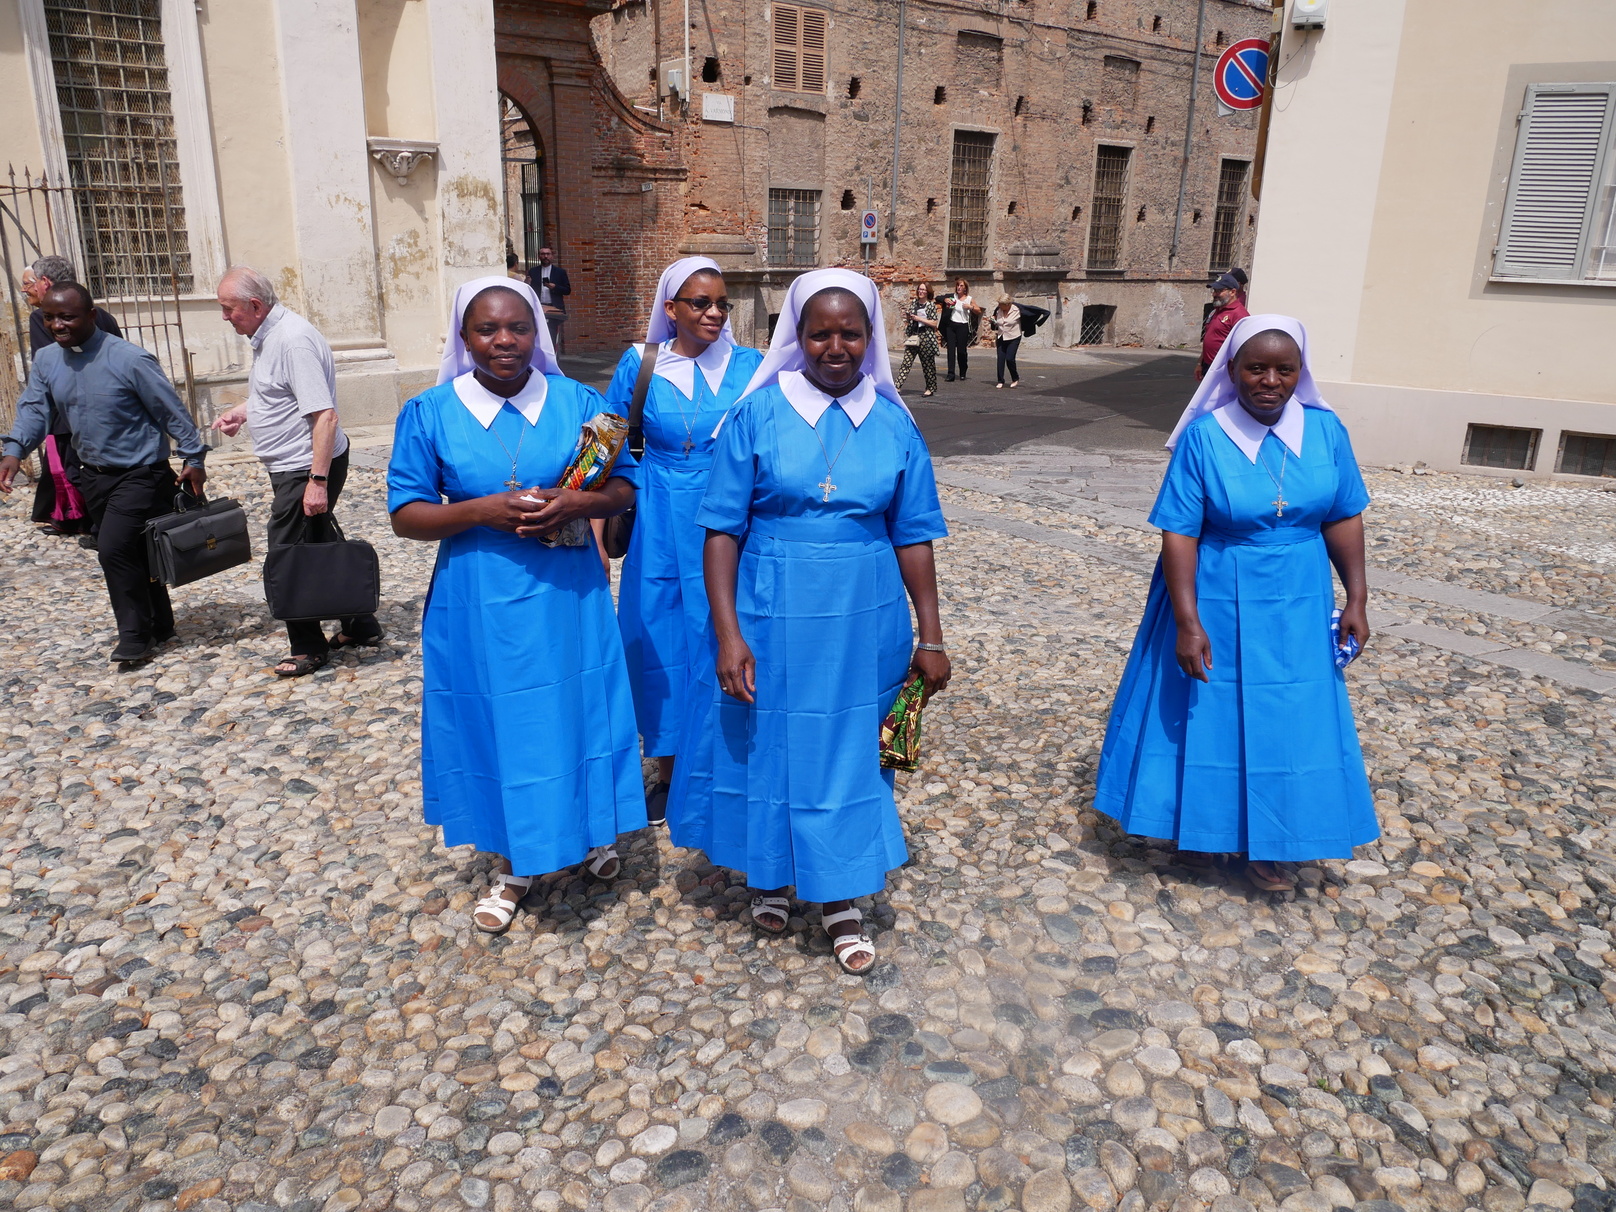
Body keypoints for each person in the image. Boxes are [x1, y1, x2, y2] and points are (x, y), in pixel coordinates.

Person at [667, 268, 951, 974]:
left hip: (864, 616)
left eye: (850, 333)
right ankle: (769, 869)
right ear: (797, 336)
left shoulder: (895, 424)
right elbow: (721, 530)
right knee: (767, 740)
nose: (835, 347)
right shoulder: (756, 415)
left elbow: (914, 534)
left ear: (870, 338)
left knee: (850, 749)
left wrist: (932, 635)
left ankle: (840, 893)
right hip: (769, 606)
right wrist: (728, 634)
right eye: (820, 333)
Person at [386, 276, 646, 933]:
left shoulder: (579, 402)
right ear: (463, 337)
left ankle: (592, 828)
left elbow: (624, 487)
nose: (504, 340)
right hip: (479, 597)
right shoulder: (430, 412)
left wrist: (578, 502)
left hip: (567, 592)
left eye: (519, 327)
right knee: (502, 721)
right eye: (487, 329)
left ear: (539, 334)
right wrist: (481, 511)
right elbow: (405, 513)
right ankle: (514, 860)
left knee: (577, 709)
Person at [1094, 314, 1377, 893]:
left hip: (1299, 596)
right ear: (1231, 370)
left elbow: (1344, 515)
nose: (1270, 381)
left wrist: (1357, 597)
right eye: (1256, 368)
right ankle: (1202, 831)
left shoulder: (1326, 431)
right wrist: (1187, 621)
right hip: (1218, 590)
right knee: (1209, 713)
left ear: (1301, 372)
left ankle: (1273, 843)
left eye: (1284, 369)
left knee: (1290, 715)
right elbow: (1179, 533)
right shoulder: (1203, 437)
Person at [606, 257, 764, 825]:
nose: (715, 312)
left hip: (734, 515)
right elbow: (608, 447)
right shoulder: (641, 364)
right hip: (660, 516)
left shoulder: (754, 367)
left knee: (730, 632)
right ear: (670, 309)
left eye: (722, 303)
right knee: (662, 640)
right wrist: (592, 530)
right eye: (701, 303)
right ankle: (670, 768)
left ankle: (731, 764)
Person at [0, 283, 207, 664]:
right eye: (49, 317)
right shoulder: (47, 360)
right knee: (137, 550)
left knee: (112, 549)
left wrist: (194, 457)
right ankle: (160, 623)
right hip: (92, 476)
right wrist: (15, 450)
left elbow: (170, 411)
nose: (57, 325)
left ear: (91, 316)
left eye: (67, 317)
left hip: (141, 474)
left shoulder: (130, 359)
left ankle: (134, 637)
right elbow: (34, 408)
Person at [210, 266, 384, 678]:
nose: (224, 317)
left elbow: (325, 416)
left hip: (303, 467)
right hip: (296, 466)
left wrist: (316, 482)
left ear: (255, 305)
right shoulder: (269, 336)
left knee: (287, 553)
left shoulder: (292, 341)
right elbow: (280, 394)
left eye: (228, 308)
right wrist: (244, 412)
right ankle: (360, 623)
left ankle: (307, 646)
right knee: (319, 543)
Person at [20, 256, 121, 539]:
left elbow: (50, 369)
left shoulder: (43, 320)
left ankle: (102, 529)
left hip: (71, 413)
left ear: (45, 282)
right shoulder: (103, 315)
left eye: (28, 283)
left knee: (79, 473)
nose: (25, 290)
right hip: (107, 410)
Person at [1197, 272, 1249, 380]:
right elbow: (1209, 338)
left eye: (1219, 291)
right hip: (1208, 366)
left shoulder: (1239, 315)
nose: (1214, 294)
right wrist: (1200, 363)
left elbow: (1243, 347)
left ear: (1232, 292)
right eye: (1214, 290)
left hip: (1224, 370)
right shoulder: (1216, 310)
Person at [894, 282, 940, 397]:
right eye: (920, 289)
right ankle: (897, 386)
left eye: (923, 290)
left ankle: (930, 388)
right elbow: (911, 319)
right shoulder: (914, 303)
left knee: (928, 365)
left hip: (926, 337)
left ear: (928, 292)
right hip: (914, 336)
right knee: (906, 362)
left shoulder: (930, 305)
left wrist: (919, 319)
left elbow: (934, 323)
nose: (921, 291)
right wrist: (909, 317)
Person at [525, 246, 572, 350]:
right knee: (537, 334)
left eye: (548, 254)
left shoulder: (560, 272)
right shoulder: (533, 271)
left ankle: (552, 355)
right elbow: (528, 290)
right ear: (539, 256)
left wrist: (555, 287)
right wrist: (527, 283)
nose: (545, 256)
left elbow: (567, 290)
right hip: (538, 307)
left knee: (552, 335)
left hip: (554, 308)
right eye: (543, 254)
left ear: (552, 256)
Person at [938, 278, 982, 382]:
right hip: (951, 325)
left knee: (961, 351)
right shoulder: (952, 297)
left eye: (961, 286)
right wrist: (945, 300)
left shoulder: (969, 299)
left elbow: (979, 311)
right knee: (951, 350)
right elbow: (937, 298)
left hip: (963, 326)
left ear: (965, 288)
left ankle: (963, 371)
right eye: (958, 285)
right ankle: (951, 373)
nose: (959, 287)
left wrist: (970, 307)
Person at [992, 295, 1023, 388]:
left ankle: (1015, 378)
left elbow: (1029, 316)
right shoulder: (998, 310)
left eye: (1001, 304)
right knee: (1000, 359)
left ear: (1007, 304)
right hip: (1001, 336)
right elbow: (997, 321)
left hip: (1014, 337)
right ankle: (1000, 380)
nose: (999, 305)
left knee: (1009, 358)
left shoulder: (1017, 310)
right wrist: (993, 320)